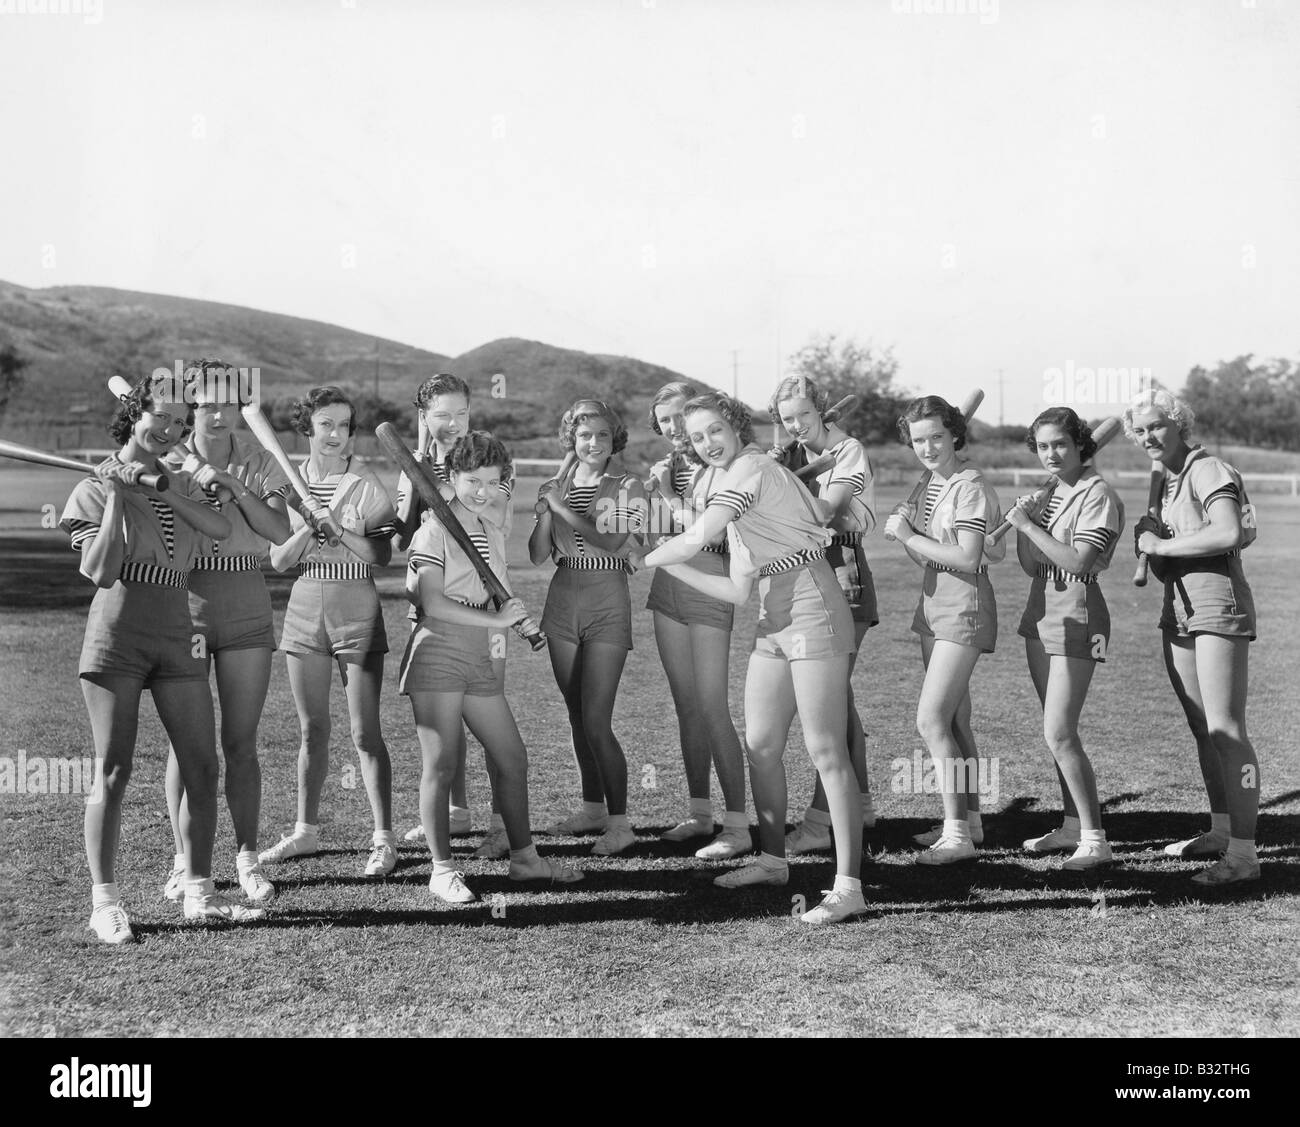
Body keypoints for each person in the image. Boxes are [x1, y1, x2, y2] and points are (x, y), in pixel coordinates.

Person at [630, 392, 867, 926]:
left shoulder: (753, 470)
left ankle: (848, 885)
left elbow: (696, 536)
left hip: (812, 601)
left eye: (715, 430)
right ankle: (772, 861)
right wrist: (662, 568)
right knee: (761, 744)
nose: (707, 443)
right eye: (696, 438)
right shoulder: (734, 488)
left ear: (735, 427)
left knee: (825, 748)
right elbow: (737, 588)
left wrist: (646, 555)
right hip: (771, 611)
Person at [60, 371, 264, 943]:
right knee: (113, 770)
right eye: (160, 418)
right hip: (117, 635)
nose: (170, 428)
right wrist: (121, 497)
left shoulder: (175, 480)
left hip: (178, 635)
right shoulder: (95, 486)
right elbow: (100, 571)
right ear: (134, 417)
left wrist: (164, 487)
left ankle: (199, 890)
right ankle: (105, 903)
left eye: (179, 420)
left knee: (202, 765)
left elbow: (220, 526)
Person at [402, 431, 583, 902]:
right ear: (451, 477)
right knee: (440, 764)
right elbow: (431, 602)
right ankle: (442, 870)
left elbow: (493, 587)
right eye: (470, 480)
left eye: (490, 481)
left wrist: (506, 618)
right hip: (438, 649)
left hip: (480, 651)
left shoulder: (485, 527)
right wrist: (494, 617)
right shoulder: (433, 529)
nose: (480, 490)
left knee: (511, 756)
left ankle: (524, 859)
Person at [157, 360, 292, 907]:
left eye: (228, 403)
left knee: (240, 740)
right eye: (207, 403)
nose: (218, 413)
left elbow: (279, 531)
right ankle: (183, 861)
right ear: (191, 406)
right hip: (180, 599)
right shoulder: (166, 457)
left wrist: (233, 486)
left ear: (241, 407)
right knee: (186, 747)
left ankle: (246, 856)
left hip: (245, 600)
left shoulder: (259, 460)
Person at [260, 386, 399, 877]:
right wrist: (306, 528)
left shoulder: (365, 483)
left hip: (356, 604)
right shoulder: (289, 482)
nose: (336, 434)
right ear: (309, 429)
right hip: (303, 607)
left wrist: (341, 530)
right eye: (326, 424)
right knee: (311, 729)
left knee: (365, 732)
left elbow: (383, 557)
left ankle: (383, 839)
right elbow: (278, 561)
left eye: (344, 425)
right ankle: (305, 831)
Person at [1125, 389, 1262, 885]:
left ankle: (1244, 857)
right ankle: (1223, 831)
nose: (1148, 438)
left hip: (1216, 600)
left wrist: (1162, 541)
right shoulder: (1169, 481)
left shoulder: (1207, 470)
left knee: (1227, 730)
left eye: (1156, 426)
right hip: (1179, 603)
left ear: (1179, 423)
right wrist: (1152, 542)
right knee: (1202, 725)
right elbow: (1169, 559)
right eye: (1139, 431)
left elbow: (1228, 533)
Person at [394, 373, 513, 857]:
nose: (452, 424)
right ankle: (454, 812)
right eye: (440, 414)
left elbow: (497, 512)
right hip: (435, 602)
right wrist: (419, 475)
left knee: (489, 713)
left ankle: (503, 825)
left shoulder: (486, 460)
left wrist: (443, 486)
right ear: (423, 417)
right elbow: (401, 538)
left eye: (460, 413)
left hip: (487, 610)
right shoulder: (414, 468)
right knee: (447, 723)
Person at [883, 395, 1003, 864]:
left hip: (964, 604)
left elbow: (969, 557)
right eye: (919, 440)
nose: (928, 447)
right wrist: (908, 533)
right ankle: (969, 820)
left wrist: (910, 535)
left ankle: (956, 837)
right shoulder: (934, 484)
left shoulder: (970, 487)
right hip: (933, 602)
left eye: (937, 436)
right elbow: (928, 554)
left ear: (955, 434)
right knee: (954, 719)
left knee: (930, 720)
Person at [767, 377, 880, 854]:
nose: (796, 426)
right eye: (787, 419)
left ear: (822, 412)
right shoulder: (795, 453)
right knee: (841, 704)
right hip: (800, 577)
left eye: (804, 417)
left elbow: (825, 514)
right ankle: (862, 804)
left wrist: (780, 484)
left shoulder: (848, 451)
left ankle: (818, 824)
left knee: (827, 715)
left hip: (842, 573)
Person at [529, 399, 646, 856]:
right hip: (562, 598)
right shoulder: (556, 484)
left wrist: (557, 506)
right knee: (577, 714)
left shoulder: (627, 484)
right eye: (583, 436)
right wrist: (544, 512)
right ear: (570, 440)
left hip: (607, 599)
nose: (592, 443)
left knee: (597, 718)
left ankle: (620, 824)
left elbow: (611, 541)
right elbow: (538, 555)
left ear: (613, 439)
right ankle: (592, 809)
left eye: (601, 435)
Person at [1008, 408, 1123, 870]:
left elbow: (1078, 563)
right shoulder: (1055, 493)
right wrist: (1029, 522)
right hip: (1041, 608)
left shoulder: (1099, 494)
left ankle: (1096, 839)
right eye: (1042, 446)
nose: (1051, 454)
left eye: (1059, 444)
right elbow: (1033, 565)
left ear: (1079, 445)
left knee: (1059, 731)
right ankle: (1073, 825)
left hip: (1079, 611)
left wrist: (1027, 525)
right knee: (1053, 730)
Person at [643, 382, 749, 860]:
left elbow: (711, 535)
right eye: (666, 422)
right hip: (668, 590)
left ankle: (739, 825)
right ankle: (701, 812)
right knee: (685, 705)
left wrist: (666, 494)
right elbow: (662, 534)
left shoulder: (728, 469)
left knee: (712, 708)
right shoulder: (685, 471)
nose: (675, 430)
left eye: (679, 419)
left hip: (710, 592)